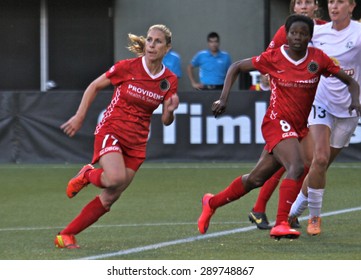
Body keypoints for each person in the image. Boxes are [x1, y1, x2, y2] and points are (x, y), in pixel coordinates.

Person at [197, 14, 360, 240]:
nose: (297, 37)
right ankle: (282, 222)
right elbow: (235, 67)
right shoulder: (274, 57)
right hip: (276, 121)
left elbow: (350, 82)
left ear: (310, 37)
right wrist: (223, 99)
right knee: (296, 165)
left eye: (303, 34)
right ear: (286, 34)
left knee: (255, 179)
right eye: (293, 33)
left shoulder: (318, 59)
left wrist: (355, 99)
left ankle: (211, 202)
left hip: (298, 127)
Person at [54, 24, 179, 249]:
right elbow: (94, 86)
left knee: (112, 195)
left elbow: (166, 121)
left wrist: (169, 111)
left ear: (167, 47)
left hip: (138, 142)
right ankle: (88, 174)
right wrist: (79, 116)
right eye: (149, 40)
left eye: (157, 41)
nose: (151, 45)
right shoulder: (127, 67)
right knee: (114, 178)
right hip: (112, 130)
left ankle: (66, 235)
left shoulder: (169, 80)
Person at [249, 0, 328, 230]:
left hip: (315, 101)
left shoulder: (323, 30)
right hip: (288, 103)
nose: (303, 6)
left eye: (308, 2)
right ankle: (272, 211)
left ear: (316, 7)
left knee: (294, 162)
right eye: (299, 3)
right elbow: (268, 61)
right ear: (294, 8)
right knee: (291, 162)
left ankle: (278, 211)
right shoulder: (287, 32)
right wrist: (270, 78)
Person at [289, 0, 361, 235]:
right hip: (321, 103)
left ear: (351, 7)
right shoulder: (317, 32)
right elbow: (291, 48)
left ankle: (293, 212)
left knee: (322, 165)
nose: (334, 6)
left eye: (340, 2)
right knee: (319, 159)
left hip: (349, 108)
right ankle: (314, 218)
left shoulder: (358, 33)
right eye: (331, 2)